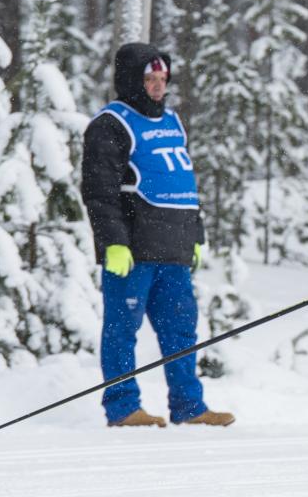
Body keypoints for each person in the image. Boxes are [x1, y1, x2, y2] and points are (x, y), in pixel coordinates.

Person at [81, 42, 234, 429]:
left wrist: (195, 235)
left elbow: (182, 180)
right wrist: (112, 242)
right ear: (132, 80)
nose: (157, 86)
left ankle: (188, 406)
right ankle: (122, 407)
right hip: (133, 250)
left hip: (175, 249)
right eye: (150, 79)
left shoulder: (173, 122)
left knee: (182, 331)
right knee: (121, 330)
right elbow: (99, 191)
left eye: (162, 79)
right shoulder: (110, 124)